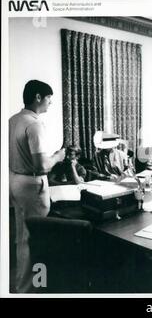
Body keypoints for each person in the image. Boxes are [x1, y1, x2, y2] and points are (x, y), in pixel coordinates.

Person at [9, 80, 66, 293]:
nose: (51, 103)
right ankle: (36, 289)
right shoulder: (34, 124)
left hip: (15, 180)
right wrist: (58, 157)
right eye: (49, 98)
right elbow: (41, 165)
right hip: (32, 185)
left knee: (22, 237)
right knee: (37, 237)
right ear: (38, 97)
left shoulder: (13, 120)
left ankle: (21, 286)